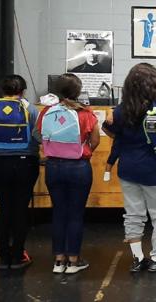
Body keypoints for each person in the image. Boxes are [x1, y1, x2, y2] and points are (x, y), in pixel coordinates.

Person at [102, 63, 156, 272]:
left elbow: (110, 131)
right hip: (154, 168)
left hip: (127, 168)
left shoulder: (121, 109)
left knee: (133, 213)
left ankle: (138, 258)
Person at [34, 73, 100, 274]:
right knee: (75, 214)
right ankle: (73, 261)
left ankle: (58, 260)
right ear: (78, 92)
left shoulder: (47, 111)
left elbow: (38, 135)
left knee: (58, 212)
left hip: (53, 167)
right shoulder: (86, 113)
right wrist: (84, 149)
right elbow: (95, 139)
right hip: (79, 167)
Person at [0, 75, 40, 270]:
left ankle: (3, 256)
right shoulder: (30, 109)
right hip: (25, 162)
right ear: (22, 91)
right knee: (20, 209)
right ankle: (18, 254)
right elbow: (38, 136)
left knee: (4, 208)